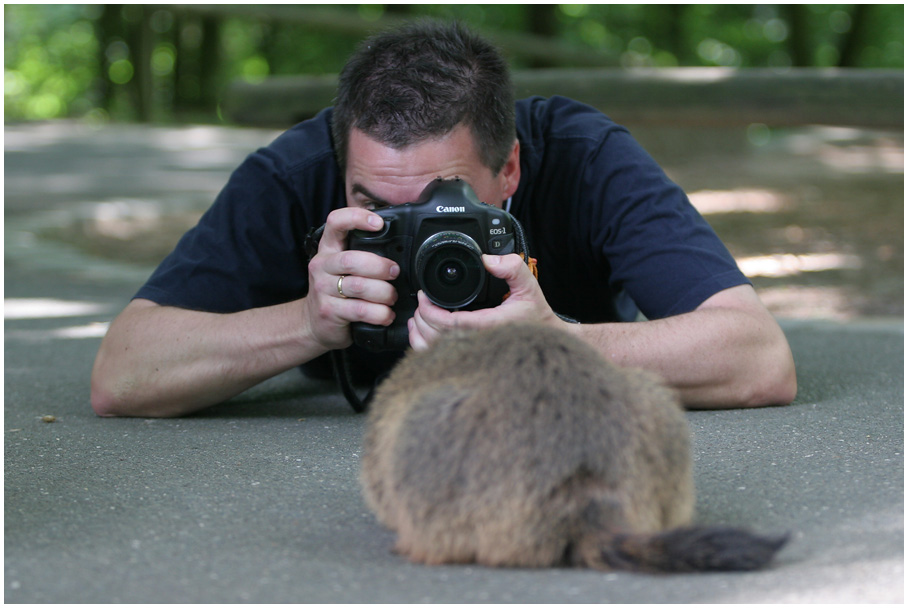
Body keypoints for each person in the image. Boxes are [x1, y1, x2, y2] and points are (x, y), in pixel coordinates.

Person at [91, 20, 796, 418]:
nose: (410, 232)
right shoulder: (296, 172)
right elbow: (123, 372)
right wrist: (306, 322)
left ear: (511, 168)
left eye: (442, 201)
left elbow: (757, 356)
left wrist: (557, 342)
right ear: (340, 167)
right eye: (375, 207)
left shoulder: (583, 158)